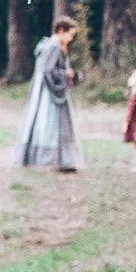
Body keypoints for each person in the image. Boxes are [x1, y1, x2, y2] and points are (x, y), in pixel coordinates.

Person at [14, 16, 82, 172]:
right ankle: (53, 160)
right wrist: (66, 74)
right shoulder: (54, 46)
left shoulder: (50, 45)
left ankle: (57, 160)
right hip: (48, 92)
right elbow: (47, 70)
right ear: (60, 30)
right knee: (50, 122)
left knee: (46, 123)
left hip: (42, 91)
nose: (71, 39)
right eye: (70, 35)